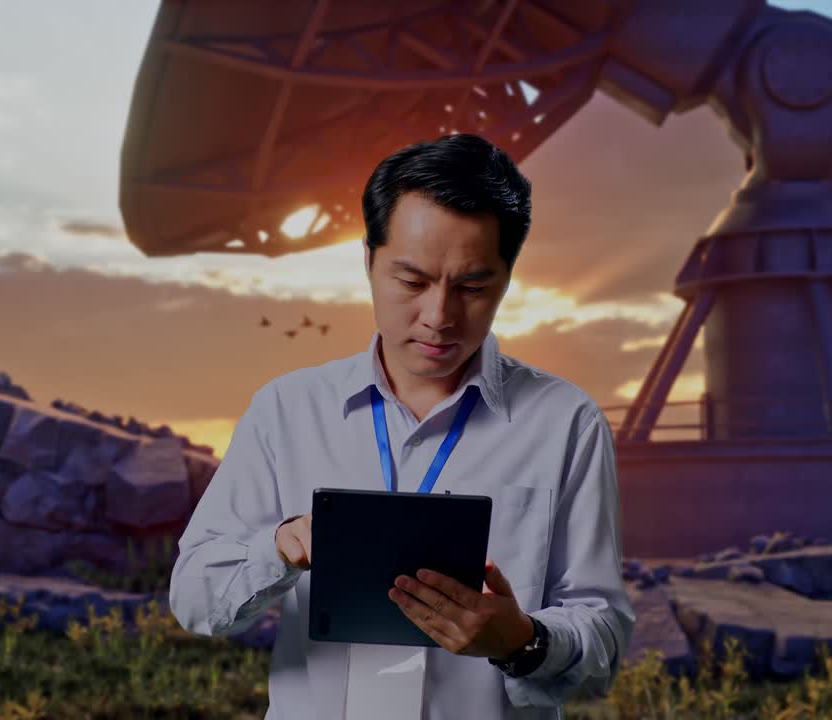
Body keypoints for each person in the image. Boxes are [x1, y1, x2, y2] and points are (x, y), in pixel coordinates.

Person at [169, 133, 636, 719]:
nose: (439, 317)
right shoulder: (284, 410)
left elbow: (606, 643)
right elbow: (192, 600)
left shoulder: (568, 423)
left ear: (509, 276)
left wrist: (523, 643)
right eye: (411, 282)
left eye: (473, 286)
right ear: (367, 259)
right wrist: (279, 550)